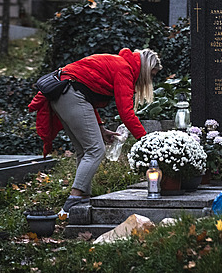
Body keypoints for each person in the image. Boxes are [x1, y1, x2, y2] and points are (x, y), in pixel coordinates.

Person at [28, 48, 162, 217]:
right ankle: (73, 201)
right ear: (145, 69)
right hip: (68, 91)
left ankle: (82, 198)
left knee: (85, 151)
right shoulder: (125, 69)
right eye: (152, 74)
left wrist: (100, 128)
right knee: (95, 149)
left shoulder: (117, 63)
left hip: (62, 93)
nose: (150, 79)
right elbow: (126, 114)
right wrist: (146, 141)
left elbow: (85, 93)